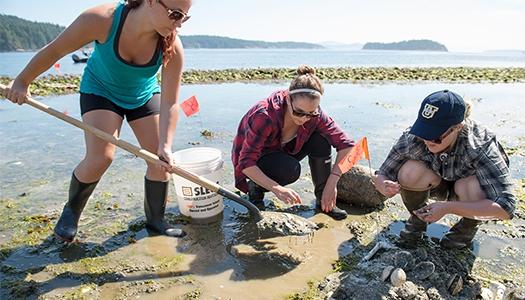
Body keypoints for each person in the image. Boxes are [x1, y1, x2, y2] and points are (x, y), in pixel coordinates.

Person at [3, 0, 192, 241]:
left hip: (142, 95)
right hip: (100, 90)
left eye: (184, 18)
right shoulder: (102, 19)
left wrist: (165, 145)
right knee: (101, 157)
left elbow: (170, 103)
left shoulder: (173, 45)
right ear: (152, 1)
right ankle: (71, 213)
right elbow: (55, 50)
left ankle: (156, 221)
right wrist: (22, 82)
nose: (179, 24)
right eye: (175, 14)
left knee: (159, 160)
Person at [374, 90, 516, 249]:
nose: (427, 140)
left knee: (471, 186)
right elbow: (383, 173)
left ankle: (465, 231)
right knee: (410, 171)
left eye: (434, 135)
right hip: (436, 184)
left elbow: (506, 208)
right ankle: (418, 221)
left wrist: (448, 208)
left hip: (468, 194)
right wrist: (383, 184)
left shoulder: (480, 145)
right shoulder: (413, 138)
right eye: (424, 132)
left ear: (458, 128)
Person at [232, 65, 354, 220]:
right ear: (288, 99)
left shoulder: (315, 115)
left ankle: (323, 201)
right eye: (299, 112)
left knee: (321, 139)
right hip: (255, 161)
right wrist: (277, 189)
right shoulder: (265, 115)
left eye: (311, 113)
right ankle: (255, 188)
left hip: (284, 151)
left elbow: (348, 146)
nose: (304, 118)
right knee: (290, 170)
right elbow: (245, 163)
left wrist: (332, 182)